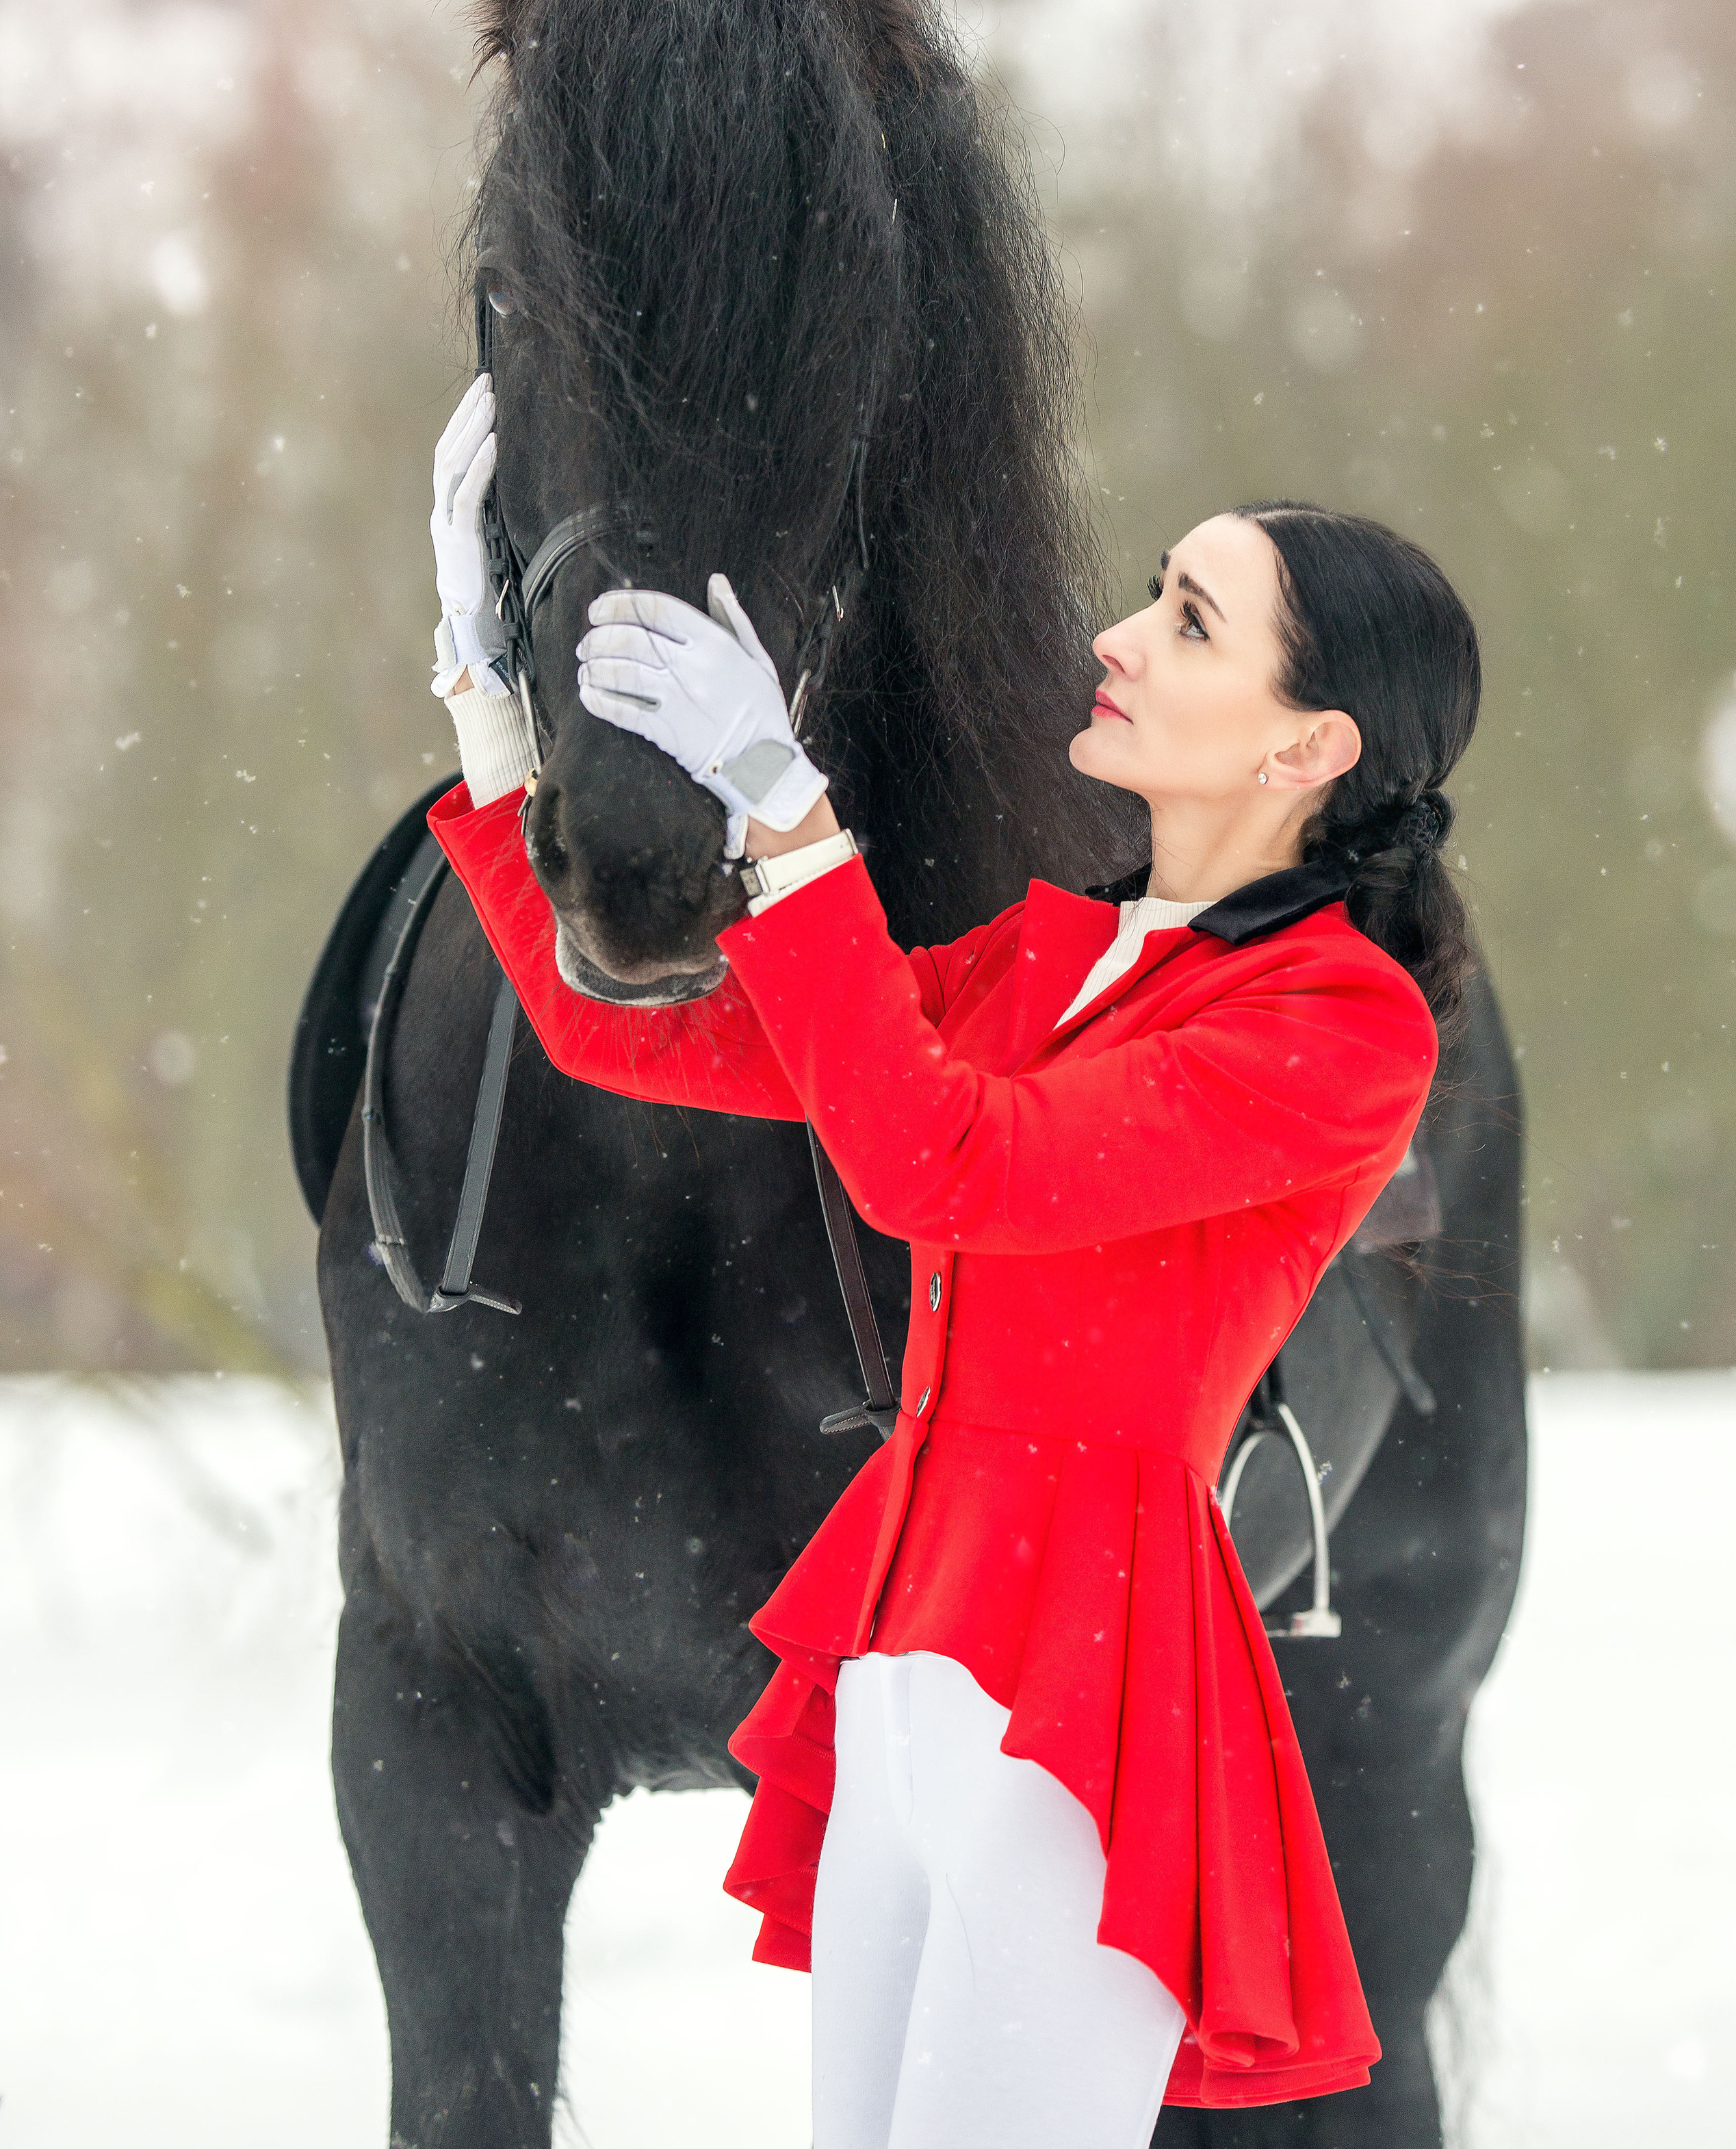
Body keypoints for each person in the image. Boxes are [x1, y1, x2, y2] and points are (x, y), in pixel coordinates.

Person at [420, 378, 1480, 2149]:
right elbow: (625, 1033)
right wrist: (485, 691)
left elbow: (943, 1164)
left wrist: (788, 811)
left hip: (1092, 1700)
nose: (1116, 636)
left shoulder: (1339, 1023)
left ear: (1308, 749)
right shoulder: (1043, 962)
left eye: (1190, 621)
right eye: (1154, 593)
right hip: (906, 1669)